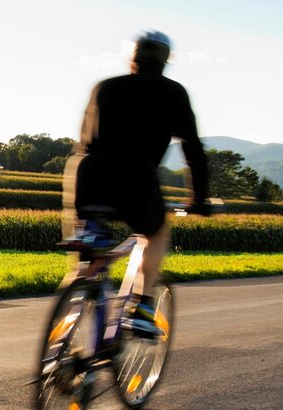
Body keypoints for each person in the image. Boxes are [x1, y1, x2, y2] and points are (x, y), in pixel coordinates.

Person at [63, 29, 210, 336]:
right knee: (154, 234)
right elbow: (192, 150)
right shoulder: (173, 92)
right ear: (165, 61)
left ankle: (69, 332)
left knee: (89, 258)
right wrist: (199, 199)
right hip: (136, 177)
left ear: (133, 58)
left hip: (89, 172)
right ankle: (142, 307)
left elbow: (84, 138)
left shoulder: (104, 87)